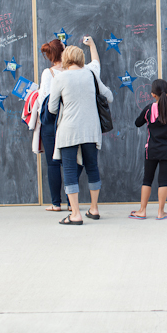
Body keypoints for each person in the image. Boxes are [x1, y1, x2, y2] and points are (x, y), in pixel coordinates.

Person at [48, 39, 113, 225]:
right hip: (91, 130)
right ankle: (94, 208)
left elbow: (52, 109)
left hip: (69, 130)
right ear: (81, 58)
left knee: (69, 169)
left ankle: (75, 214)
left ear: (65, 58)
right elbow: (109, 96)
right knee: (92, 167)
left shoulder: (59, 78)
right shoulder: (91, 73)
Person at [130, 79, 167, 220]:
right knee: (163, 180)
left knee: (147, 179)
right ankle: (161, 212)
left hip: (151, 149)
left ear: (153, 94)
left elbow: (137, 123)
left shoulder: (149, 109)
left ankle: (142, 211)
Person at [37, 38, 68, 212]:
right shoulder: (72, 71)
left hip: (50, 123)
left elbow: (43, 99)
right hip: (68, 121)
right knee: (71, 162)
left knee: (53, 163)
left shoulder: (48, 73)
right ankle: (73, 203)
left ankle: (56, 203)